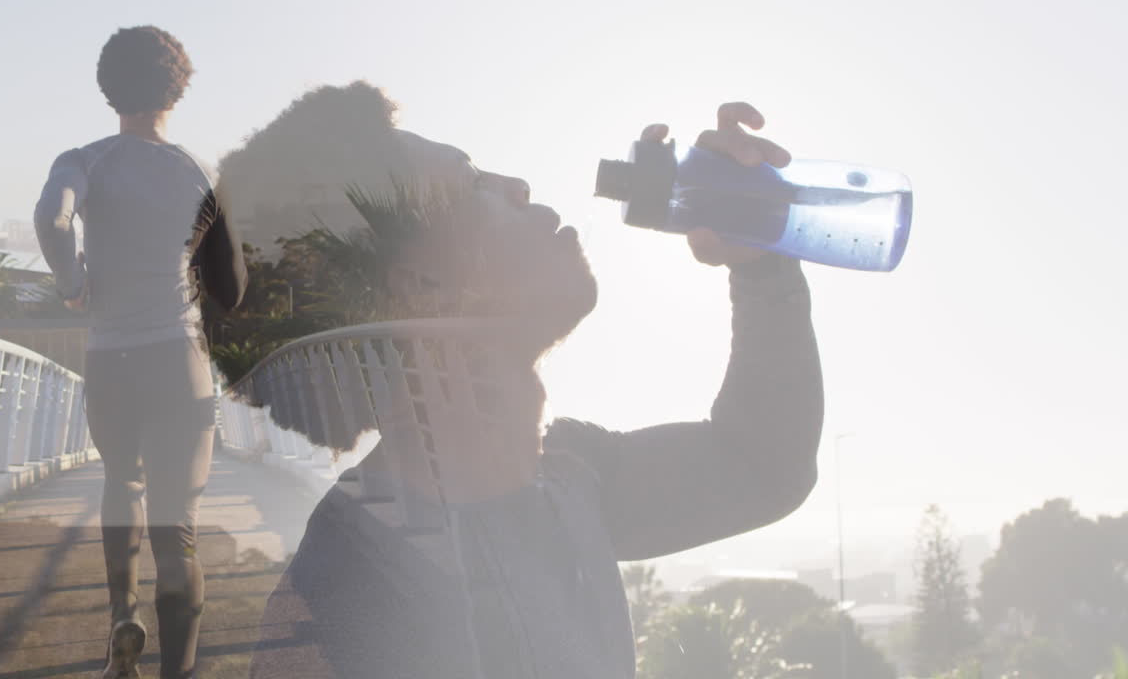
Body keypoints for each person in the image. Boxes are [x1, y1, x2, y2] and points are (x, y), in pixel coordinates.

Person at [225, 82, 822, 679]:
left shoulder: (565, 476)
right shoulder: (340, 611)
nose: (518, 185)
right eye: (471, 185)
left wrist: (762, 266)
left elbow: (761, 467)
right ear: (421, 284)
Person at [34, 26, 247, 679]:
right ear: (176, 89)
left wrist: (73, 283)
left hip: (111, 363)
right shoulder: (199, 172)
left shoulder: (83, 160)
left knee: (121, 482)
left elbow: (52, 218)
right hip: (178, 361)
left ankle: (123, 620)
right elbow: (232, 290)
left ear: (109, 88)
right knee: (176, 530)